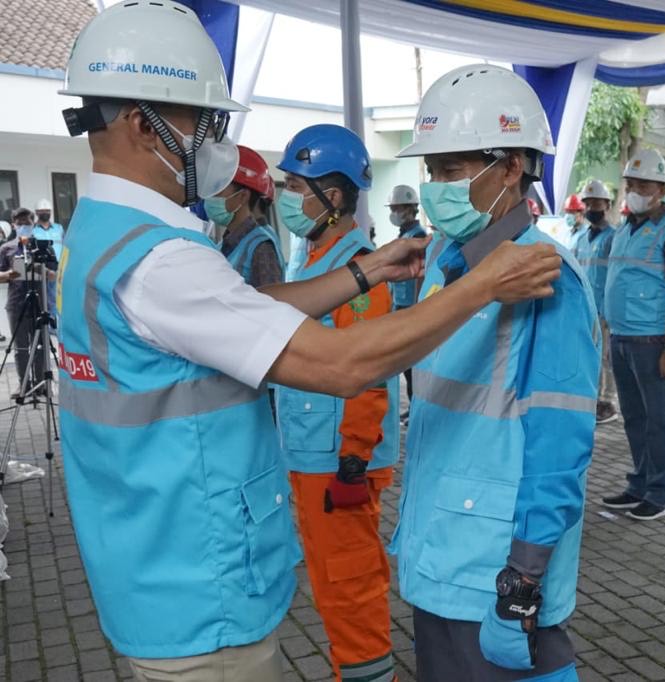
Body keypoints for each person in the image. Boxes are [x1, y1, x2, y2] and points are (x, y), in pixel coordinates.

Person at [55, 5, 562, 680]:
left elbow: (240, 312)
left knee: (350, 587)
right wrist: (480, 287)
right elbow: (343, 364)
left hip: (158, 562)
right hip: (199, 590)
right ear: (142, 124)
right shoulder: (162, 259)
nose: (219, 146)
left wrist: (364, 271)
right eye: (205, 124)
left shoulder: (106, 235)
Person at [392, 63, 600, 682]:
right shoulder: (444, 264)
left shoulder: (548, 279)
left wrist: (525, 574)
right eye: (431, 172)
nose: (436, 189)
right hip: (438, 551)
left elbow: (560, 443)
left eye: (452, 171)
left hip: (494, 573)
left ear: (511, 167)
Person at [272, 124, 400, 682]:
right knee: (329, 583)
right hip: (309, 455)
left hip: (338, 463)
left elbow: (369, 372)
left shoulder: (362, 266)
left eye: (297, 187)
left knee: (350, 585)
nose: (287, 198)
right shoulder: (313, 257)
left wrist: (353, 459)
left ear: (337, 195)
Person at [601, 148, 665, 521]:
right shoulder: (625, 230)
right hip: (623, 337)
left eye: (642, 184)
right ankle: (639, 482)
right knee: (636, 417)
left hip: (653, 340)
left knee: (660, 418)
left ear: (661, 188)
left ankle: (661, 492)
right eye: (630, 184)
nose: (634, 190)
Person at [206, 145, 285, 288]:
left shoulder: (261, 248)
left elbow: (271, 305)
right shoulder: (226, 243)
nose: (211, 196)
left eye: (218, 189)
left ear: (242, 196)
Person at [576, 179, 618, 425]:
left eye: (596, 202)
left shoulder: (614, 238)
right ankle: (592, 398)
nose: (591, 207)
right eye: (588, 202)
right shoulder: (581, 238)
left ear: (607, 205)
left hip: (604, 308)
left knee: (606, 358)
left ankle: (607, 401)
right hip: (585, 308)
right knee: (589, 355)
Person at [387, 183, 427, 420]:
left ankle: (416, 407)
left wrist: (417, 308)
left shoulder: (418, 236)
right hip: (399, 304)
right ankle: (413, 406)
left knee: (412, 366)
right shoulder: (404, 235)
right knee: (406, 366)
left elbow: (420, 275)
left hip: (410, 305)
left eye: (396, 208)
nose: (393, 213)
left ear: (409, 209)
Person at [1, 208, 42, 391]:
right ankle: (24, 384)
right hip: (16, 303)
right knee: (21, 347)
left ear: (33, 224)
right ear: (13, 225)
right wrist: (12, 274)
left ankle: (41, 383)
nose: (23, 226)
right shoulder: (6, 248)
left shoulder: (42, 245)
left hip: (39, 303)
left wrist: (42, 271)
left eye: (27, 223)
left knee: (39, 345)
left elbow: (54, 272)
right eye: (20, 223)